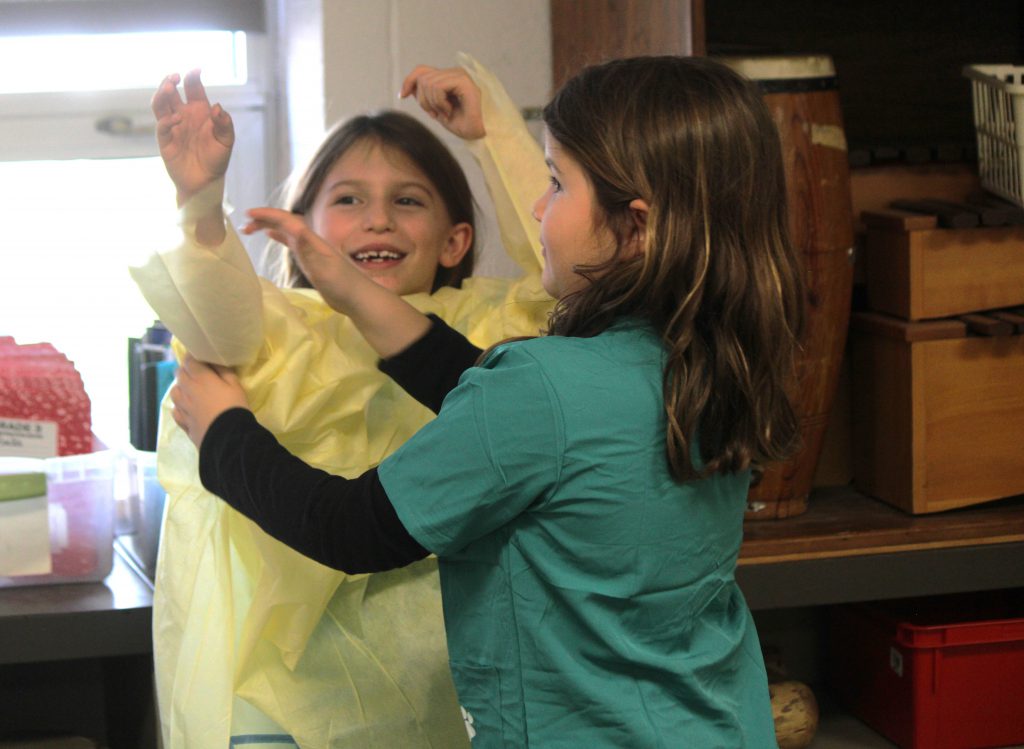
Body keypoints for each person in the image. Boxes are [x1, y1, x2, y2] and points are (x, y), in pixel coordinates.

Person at [169, 54, 807, 748]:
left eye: (558, 182)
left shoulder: (540, 391)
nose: (536, 203)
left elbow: (349, 526)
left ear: (637, 226)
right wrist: (351, 292)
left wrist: (225, 431)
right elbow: (492, 392)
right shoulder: (709, 364)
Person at [132, 57, 552, 748]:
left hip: (457, 689)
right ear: (304, 231)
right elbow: (220, 322)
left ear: (457, 240)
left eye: (409, 200)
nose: (378, 219)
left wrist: (493, 135)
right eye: (350, 199)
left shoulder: (489, 323)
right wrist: (202, 206)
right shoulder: (281, 322)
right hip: (283, 696)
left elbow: (569, 281)